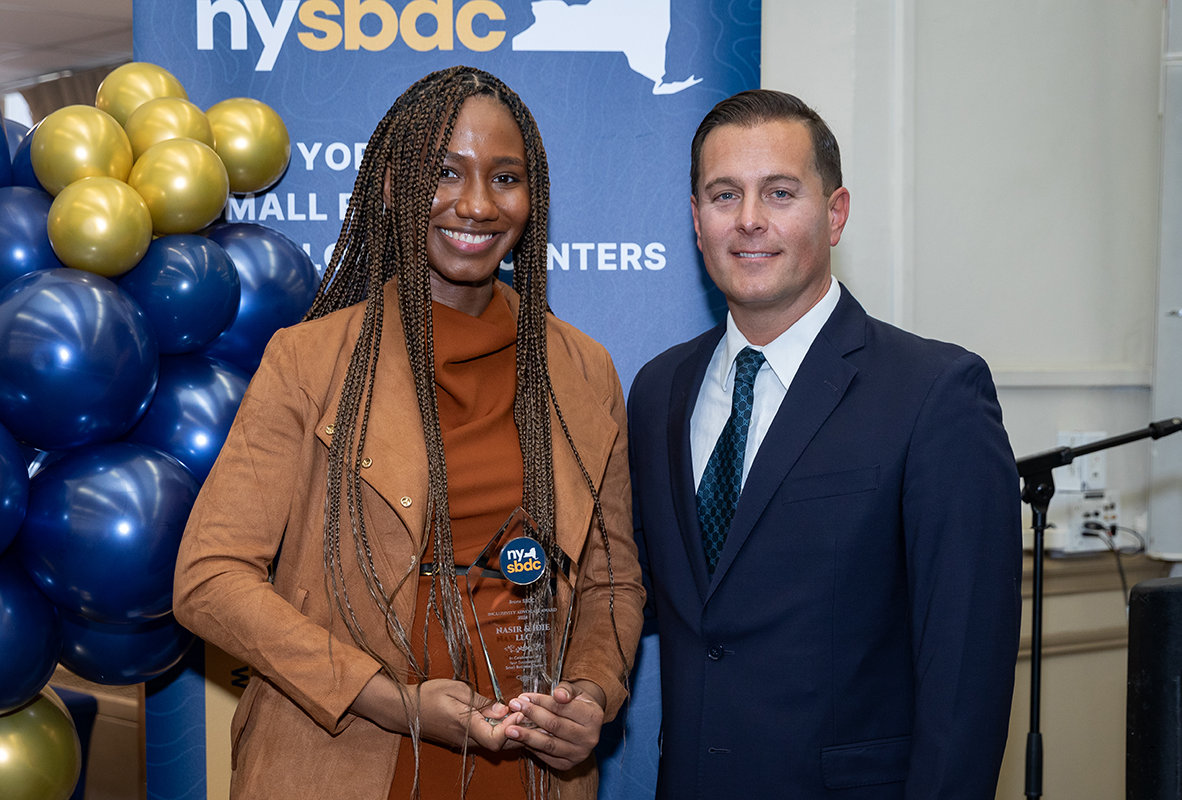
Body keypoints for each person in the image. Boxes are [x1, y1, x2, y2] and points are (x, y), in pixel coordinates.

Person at [173, 66, 644, 800]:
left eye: (506, 177)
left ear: (534, 195)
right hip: (343, 760)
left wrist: (590, 693)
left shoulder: (582, 368)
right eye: (444, 172)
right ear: (392, 185)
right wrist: (386, 697)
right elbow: (209, 580)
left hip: (529, 777)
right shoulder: (311, 361)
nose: (477, 204)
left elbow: (612, 581)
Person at [627, 89, 1022, 798]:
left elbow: (965, 678)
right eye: (724, 195)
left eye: (780, 193)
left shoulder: (935, 394)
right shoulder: (658, 391)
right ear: (695, 220)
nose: (749, 220)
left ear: (835, 213)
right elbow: (646, 592)